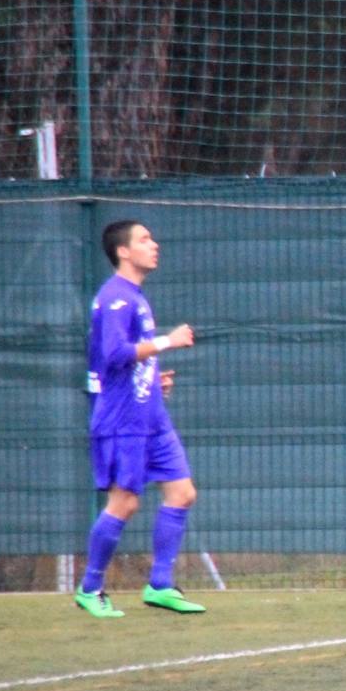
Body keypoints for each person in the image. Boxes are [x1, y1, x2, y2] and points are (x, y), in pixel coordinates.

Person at [74, 220, 205, 618]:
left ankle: (161, 585)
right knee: (124, 503)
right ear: (123, 252)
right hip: (124, 421)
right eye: (145, 239)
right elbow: (113, 354)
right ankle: (90, 588)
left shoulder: (136, 297)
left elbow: (126, 361)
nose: (155, 245)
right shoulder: (115, 297)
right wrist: (169, 341)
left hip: (152, 417)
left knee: (182, 493)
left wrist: (151, 379)